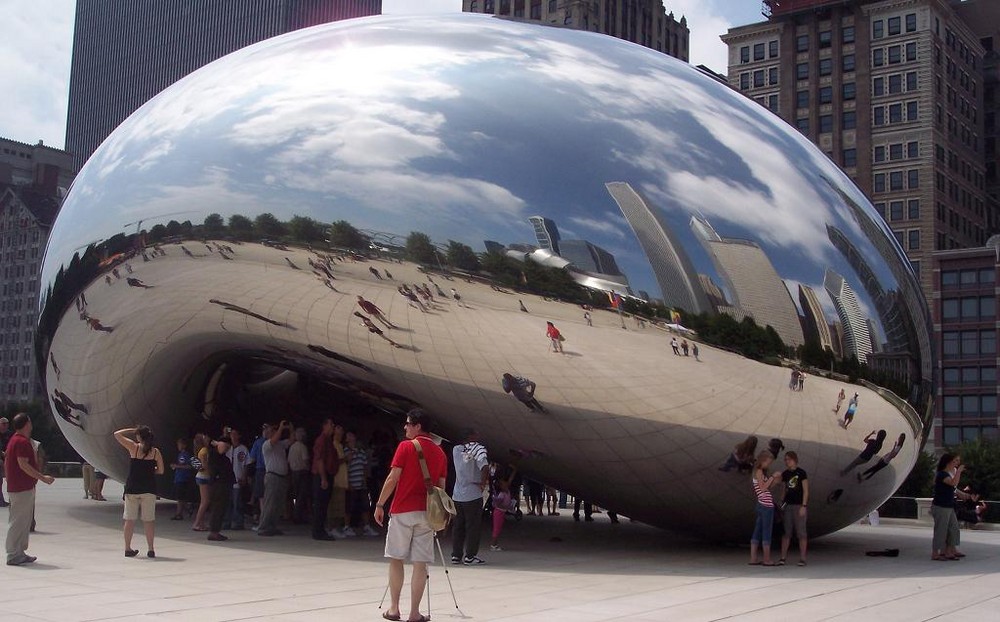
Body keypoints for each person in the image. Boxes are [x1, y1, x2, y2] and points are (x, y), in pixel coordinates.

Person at [373, 410, 448, 622]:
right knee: (420, 564)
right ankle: (414, 613)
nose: (405, 427)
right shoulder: (440, 453)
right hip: (427, 514)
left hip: (402, 510)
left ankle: (395, 608)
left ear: (417, 426)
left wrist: (379, 503)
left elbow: (393, 477)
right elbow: (441, 487)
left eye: (407, 424)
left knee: (396, 559)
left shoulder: (405, 447)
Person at [5, 413, 54, 565]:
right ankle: (13, 554)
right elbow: (23, 464)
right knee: (18, 521)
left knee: (23, 521)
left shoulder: (15, 440)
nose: (31, 425)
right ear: (26, 424)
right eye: (30, 422)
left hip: (19, 487)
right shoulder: (22, 442)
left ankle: (19, 552)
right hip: (21, 488)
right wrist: (43, 478)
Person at [114, 426, 165, 558]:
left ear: (139, 436)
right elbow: (161, 470)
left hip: (132, 488)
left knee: (129, 520)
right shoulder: (155, 452)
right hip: (149, 488)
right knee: (148, 520)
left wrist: (131, 430)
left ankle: (127, 548)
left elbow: (117, 434)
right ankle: (151, 548)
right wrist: (149, 470)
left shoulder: (134, 448)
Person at [450, 429, 489, 565]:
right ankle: (470, 556)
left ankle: (456, 555)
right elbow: (485, 467)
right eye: (476, 435)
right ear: (471, 436)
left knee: (458, 526)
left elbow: (464, 454)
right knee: (473, 526)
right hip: (473, 494)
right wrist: (483, 483)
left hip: (457, 494)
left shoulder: (456, 450)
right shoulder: (478, 450)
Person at [930, 453, 972, 561]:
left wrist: (961, 494)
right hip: (941, 506)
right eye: (954, 461)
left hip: (949, 506)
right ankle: (935, 553)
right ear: (948, 462)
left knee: (954, 528)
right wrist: (958, 472)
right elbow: (953, 483)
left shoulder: (949, 474)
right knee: (941, 530)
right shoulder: (942, 475)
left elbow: (953, 487)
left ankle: (949, 550)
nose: (957, 463)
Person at [258, 420, 293, 536]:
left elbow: (292, 440)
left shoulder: (280, 444)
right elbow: (274, 439)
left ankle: (272, 526)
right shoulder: (266, 444)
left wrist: (290, 428)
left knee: (278, 504)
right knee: (270, 502)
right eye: (272, 431)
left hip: (281, 477)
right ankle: (263, 526)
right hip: (272, 476)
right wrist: (281, 428)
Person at [344, 431, 378, 536]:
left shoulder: (361, 452)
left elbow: (364, 467)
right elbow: (344, 468)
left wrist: (364, 481)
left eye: (352, 435)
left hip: (361, 484)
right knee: (349, 506)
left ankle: (367, 526)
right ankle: (346, 526)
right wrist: (348, 483)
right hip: (351, 483)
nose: (351, 437)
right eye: (348, 436)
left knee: (365, 505)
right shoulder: (345, 451)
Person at [749, 450, 780, 566]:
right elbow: (762, 488)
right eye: (768, 462)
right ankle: (766, 559)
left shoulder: (759, 472)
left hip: (762, 503)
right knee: (766, 531)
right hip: (766, 505)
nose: (769, 464)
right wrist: (772, 477)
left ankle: (753, 558)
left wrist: (774, 481)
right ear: (762, 461)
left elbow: (765, 487)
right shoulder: (759, 472)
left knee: (758, 531)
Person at [778, 451, 809, 566]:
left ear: (794, 460)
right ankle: (783, 557)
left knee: (801, 532)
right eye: (785, 460)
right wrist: (781, 503)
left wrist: (804, 505)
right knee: (786, 532)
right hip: (788, 505)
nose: (787, 462)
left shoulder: (801, 473)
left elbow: (806, 490)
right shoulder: (785, 474)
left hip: (798, 505)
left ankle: (803, 558)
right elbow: (783, 489)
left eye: (789, 459)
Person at [311, 418, 340, 541]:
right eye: (331, 424)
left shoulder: (328, 441)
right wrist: (323, 478)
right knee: (320, 505)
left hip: (327, 474)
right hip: (322, 475)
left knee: (323, 505)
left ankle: (320, 529)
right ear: (325, 426)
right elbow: (319, 459)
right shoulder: (322, 440)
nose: (333, 427)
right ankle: (318, 531)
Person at [207, 435, 235, 542]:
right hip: (218, 485)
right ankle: (214, 532)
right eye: (227, 446)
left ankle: (216, 531)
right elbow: (221, 445)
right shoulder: (214, 454)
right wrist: (219, 442)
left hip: (224, 485)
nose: (227, 449)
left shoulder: (224, 457)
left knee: (221, 509)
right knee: (217, 509)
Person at [225, 428, 249, 530]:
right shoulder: (227, 448)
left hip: (238, 478)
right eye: (231, 434)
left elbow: (246, 464)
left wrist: (244, 476)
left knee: (237, 502)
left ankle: (238, 523)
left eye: (235, 434)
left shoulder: (243, 449)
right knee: (227, 503)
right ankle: (227, 522)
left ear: (239, 436)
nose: (233, 436)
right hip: (228, 480)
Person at [490, 467, 517, 552]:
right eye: (504, 483)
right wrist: (508, 507)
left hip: (501, 512)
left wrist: (514, 471)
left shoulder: (506, 491)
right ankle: (493, 544)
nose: (506, 484)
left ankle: (495, 544)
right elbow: (498, 504)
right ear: (501, 486)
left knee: (498, 528)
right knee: (496, 529)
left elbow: (510, 480)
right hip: (499, 512)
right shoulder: (502, 494)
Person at [288, 427, 311, 524]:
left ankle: (294, 514)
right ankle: (299, 516)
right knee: (302, 495)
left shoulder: (292, 447)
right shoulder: (302, 447)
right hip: (302, 473)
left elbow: (288, 461)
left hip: (294, 473)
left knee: (295, 495)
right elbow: (305, 460)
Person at [170, 437, 195, 520]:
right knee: (180, 497)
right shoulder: (180, 454)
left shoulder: (186, 455)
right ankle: (187, 507)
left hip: (183, 478)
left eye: (180, 444)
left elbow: (190, 466)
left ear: (184, 445)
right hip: (178, 477)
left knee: (180, 497)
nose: (178, 446)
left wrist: (177, 466)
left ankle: (179, 513)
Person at [192, 433, 211, 531]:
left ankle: (201, 523)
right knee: (205, 502)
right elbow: (205, 466)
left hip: (202, 476)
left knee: (204, 502)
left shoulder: (201, 450)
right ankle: (196, 523)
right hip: (204, 477)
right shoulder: (204, 450)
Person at [0, 416, 12, 507]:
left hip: (8, 459)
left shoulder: (10, 434)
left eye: (7, 424)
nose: (5, 426)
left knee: (11, 480)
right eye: (3, 424)